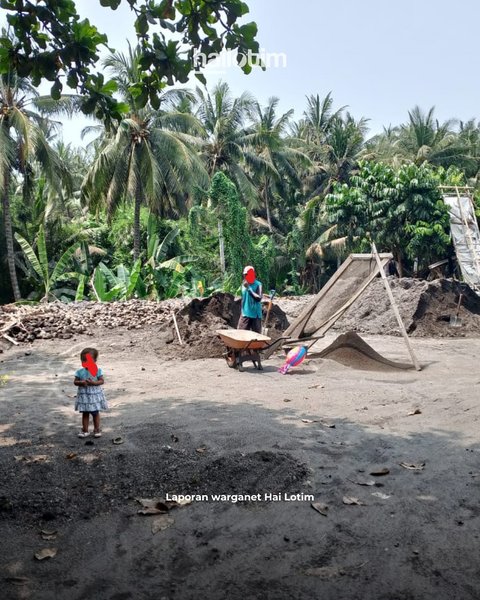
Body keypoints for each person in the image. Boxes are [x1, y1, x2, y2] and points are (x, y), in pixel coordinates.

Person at [74, 347, 108, 438]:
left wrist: (94, 383)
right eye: (83, 360)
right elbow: (75, 382)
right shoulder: (79, 372)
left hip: (94, 396)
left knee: (95, 413)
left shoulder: (97, 371)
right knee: (85, 413)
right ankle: (85, 430)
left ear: (95, 361)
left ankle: (96, 429)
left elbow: (101, 381)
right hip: (84, 396)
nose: (86, 363)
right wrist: (81, 382)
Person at [237, 265, 263, 333]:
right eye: (245, 274)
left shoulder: (258, 284)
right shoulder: (243, 284)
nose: (246, 276)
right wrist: (242, 311)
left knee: (256, 336)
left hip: (255, 314)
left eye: (247, 274)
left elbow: (259, 298)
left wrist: (249, 288)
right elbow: (243, 298)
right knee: (241, 334)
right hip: (245, 313)